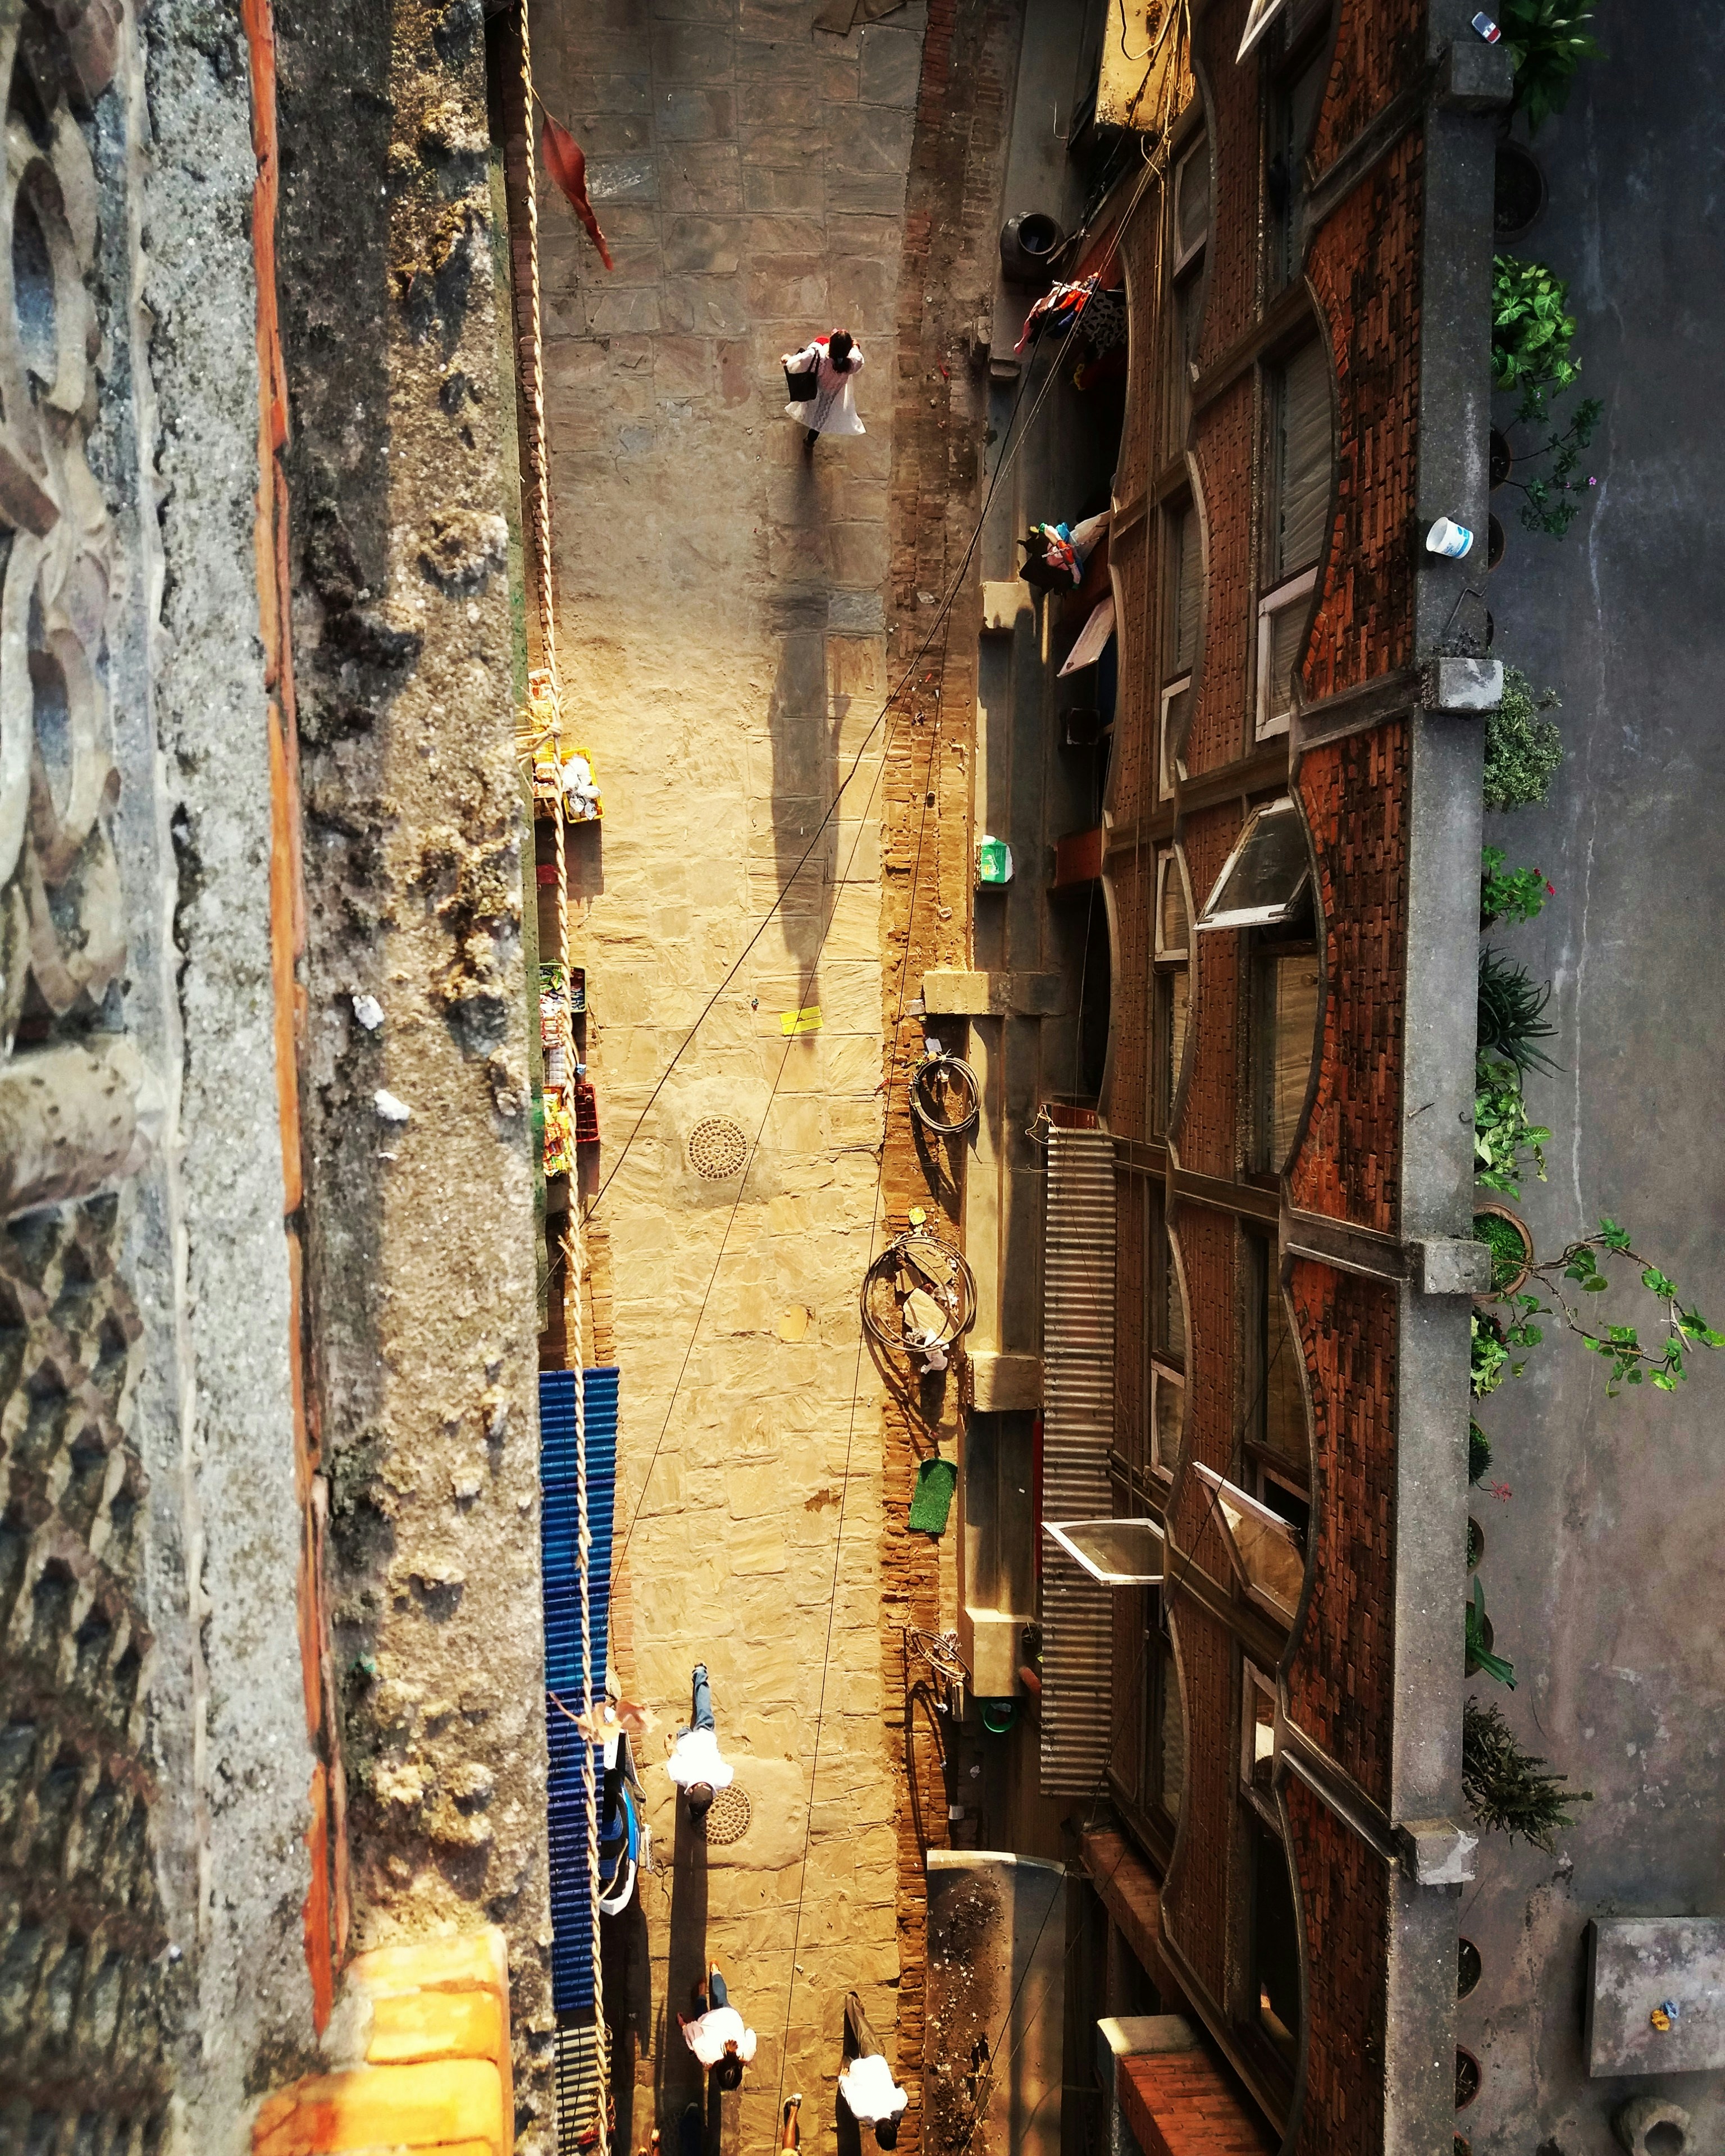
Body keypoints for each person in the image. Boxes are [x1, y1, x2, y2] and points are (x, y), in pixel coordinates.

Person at [838, 1991, 908, 2148]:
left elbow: (901, 2090)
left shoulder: (900, 2104)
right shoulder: (860, 2112)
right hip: (855, 2069)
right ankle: (847, 2053)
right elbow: (847, 2089)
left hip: (876, 2063)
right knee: (846, 2058)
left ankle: (852, 2002)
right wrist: (842, 2079)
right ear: (875, 2133)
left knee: (864, 2033)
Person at [666, 1662, 733, 1821]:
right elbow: (673, 1752)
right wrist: (669, 1743)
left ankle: (700, 1673)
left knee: (704, 1707)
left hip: (705, 1736)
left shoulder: (722, 1780)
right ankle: (683, 1727)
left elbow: (728, 1768)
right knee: (683, 1730)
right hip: (685, 1739)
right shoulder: (680, 1776)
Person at [782, 329, 866, 450]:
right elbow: (859, 357)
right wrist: (856, 346)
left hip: (816, 385)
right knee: (822, 413)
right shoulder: (853, 362)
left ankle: (806, 413)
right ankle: (811, 440)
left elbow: (800, 360)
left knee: (811, 401)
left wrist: (788, 359)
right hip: (832, 392)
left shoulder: (819, 358)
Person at [679, 1963, 756, 2090]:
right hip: (708, 2019)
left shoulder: (746, 2054)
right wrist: (683, 2025)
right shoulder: (706, 2055)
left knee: (721, 1999)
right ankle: (702, 1991)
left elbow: (750, 2033)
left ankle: (715, 1970)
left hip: (729, 2016)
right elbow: (693, 2030)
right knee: (700, 2014)